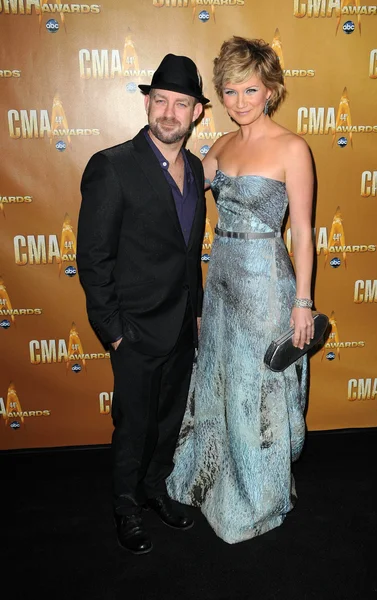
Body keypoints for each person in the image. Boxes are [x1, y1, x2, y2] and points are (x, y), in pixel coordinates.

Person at [167, 37, 315, 544]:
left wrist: (302, 304)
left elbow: (303, 234)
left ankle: (258, 495)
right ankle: (213, 479)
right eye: (229, 91)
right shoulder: (222, 147)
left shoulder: (293, 148)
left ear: (270, 90)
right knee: (218, 383)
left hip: (266, 284)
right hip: (223, 281)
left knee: (258, 392)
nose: (240, 101)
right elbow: (179, 185)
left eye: (250, 89)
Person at [76, 54, 208, 555]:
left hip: (180, 327)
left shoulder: (195, 169)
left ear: (196, 111)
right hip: (132, 330)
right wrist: (112, 330)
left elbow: (186, 250)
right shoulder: (112, 167)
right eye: (160, 101)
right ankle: (126, 507)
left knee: (170, 420)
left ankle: (157, 491)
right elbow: (93, 257)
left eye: (181, 103)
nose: (169, 113)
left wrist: (194, 314)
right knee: (133, 425)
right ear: (147, 102)